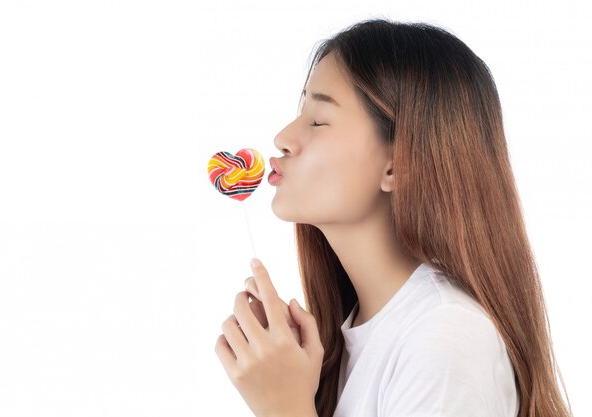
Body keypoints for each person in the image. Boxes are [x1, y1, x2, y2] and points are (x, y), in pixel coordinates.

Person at [215, 18, 574, 417]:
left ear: (397, 164)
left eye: (317, 120)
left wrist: (283, 407)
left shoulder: (444, 338)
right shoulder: (346, 342)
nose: (283, 137)